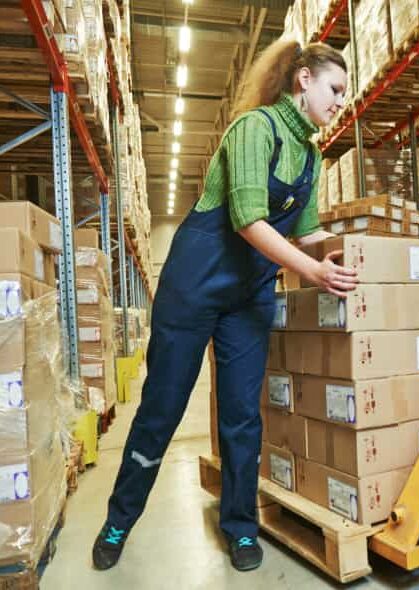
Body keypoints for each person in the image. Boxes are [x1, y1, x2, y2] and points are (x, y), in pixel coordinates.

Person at [92, 39, 358, 573]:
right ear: (303, 79)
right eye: (334, 90)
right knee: (161, 410)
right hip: (194, 286)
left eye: (345, 96)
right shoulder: (253, 130)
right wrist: (312, 272)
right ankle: (119, 519)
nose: (339, 104)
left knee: (242, 417)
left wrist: (352, 246)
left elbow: (305, 235)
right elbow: (247, 219)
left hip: (249, 296)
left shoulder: (310, 156)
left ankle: (240, 526)